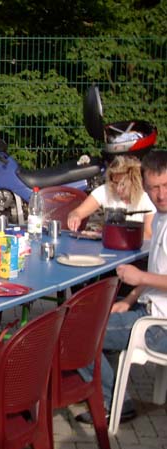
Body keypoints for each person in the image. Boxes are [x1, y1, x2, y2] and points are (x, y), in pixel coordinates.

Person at [77, 150, 167, 424]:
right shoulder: (161, 217)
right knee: (88, 318)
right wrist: (129, 300)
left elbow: (148, 277)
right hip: (148, 312)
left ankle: (112, 401)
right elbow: (157, 274)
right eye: (154, 188)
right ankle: (98, 385)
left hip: (159, 328)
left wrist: (140, 279)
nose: (160, 195)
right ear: (145, 187)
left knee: (76, 333)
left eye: (165, 186)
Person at [67, 155, 156, 239]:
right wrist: (75, 216)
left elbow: (148, 235)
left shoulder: (146, 197)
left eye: (122, 184)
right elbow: (77, 212)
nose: (117, 188)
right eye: (114, 183)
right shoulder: (105, 190)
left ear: (133, 181)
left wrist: (108, 235)